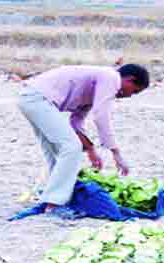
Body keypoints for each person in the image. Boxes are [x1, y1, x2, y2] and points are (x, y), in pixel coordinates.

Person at [18, 63, 150, 211]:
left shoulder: (97, 86)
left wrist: (91, 150)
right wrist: (116, 153)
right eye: (134, 91)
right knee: (71, 147)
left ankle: (51, 197)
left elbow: (76, 123)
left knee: (56, 149)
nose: (130, 96)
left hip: (30, 98)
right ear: (130, 80)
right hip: (38, 98)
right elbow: (101, 116)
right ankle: (53, 203)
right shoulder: (111, 77)